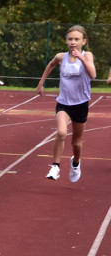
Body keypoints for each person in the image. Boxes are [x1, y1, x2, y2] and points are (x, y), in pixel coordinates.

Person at [36, 25, 95, 182]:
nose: (73, 42)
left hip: (81, 104)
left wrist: (81, 58)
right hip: (64, 103)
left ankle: (75, 163)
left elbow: (93, 75)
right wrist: (41, 83)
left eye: (76, 39)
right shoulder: (61, 57)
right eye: (70, 39)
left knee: (76, 143)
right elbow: (50, 64)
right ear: (66, 41)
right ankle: (55, 166)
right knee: (61, 132)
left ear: (84, 41)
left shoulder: (87, 55)